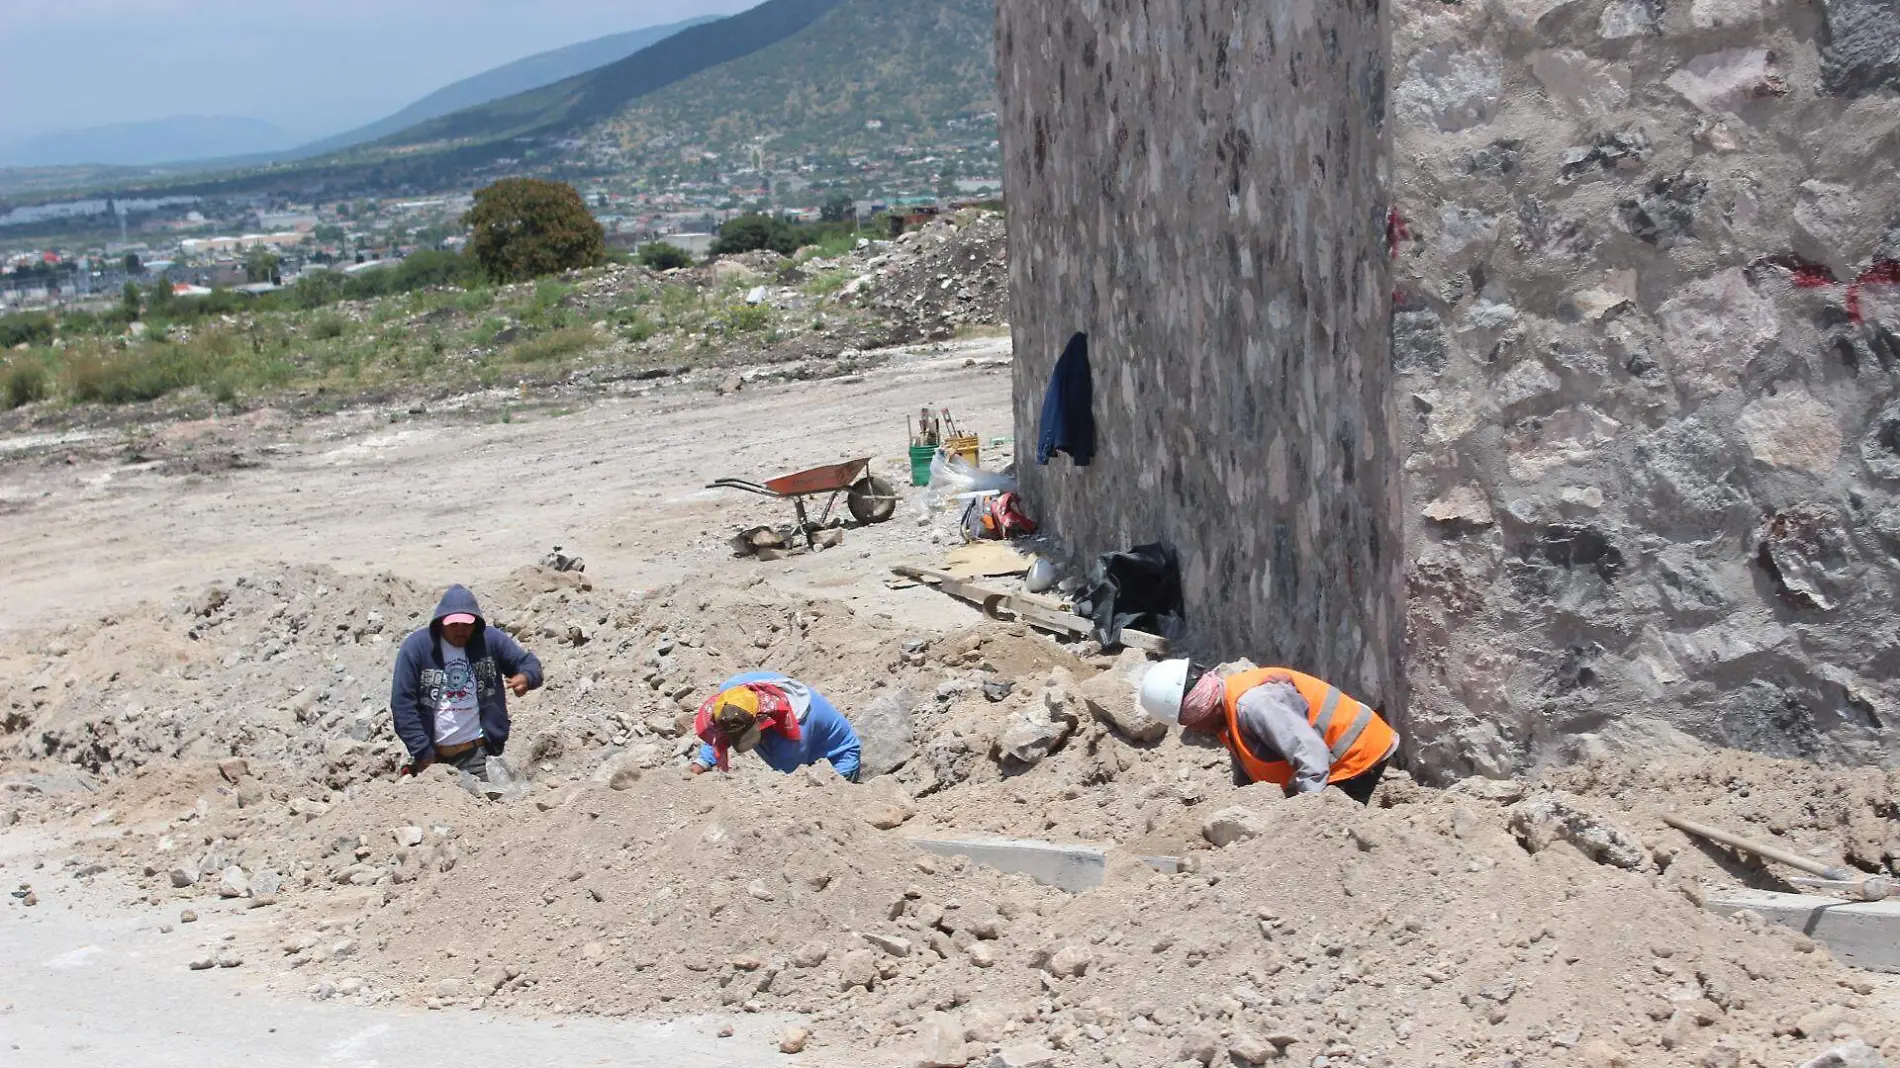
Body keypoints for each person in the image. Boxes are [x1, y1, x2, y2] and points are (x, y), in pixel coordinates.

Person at [1138, 659, 1398, 805]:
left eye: (1190, 722)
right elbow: (1247, 763)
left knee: (1331, 842)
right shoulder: (1223, 714)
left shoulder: (1254, 706)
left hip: (1357, 755)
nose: (1192, 730)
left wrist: (1305, 818)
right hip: (1332, 760)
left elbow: (1312, 756)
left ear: (1200, 709)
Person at [390, 585, 543, 779]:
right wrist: (422, 752)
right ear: (441, 623)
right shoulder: (417, 647)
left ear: (476, 624)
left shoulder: (490, 641)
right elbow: (402, 703)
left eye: (466, 625)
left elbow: (529, 664)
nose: (461, 631)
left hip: (476, 754)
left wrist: (526, 678)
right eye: (454, 625)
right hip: (432, 758)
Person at [689, 672, 862, 781]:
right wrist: (702, 762)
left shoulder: (792, 730)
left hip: (838, 763)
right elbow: (722, 730)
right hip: (803, 754)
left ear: (762, 719)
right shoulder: (733, 695)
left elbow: (789, 782)